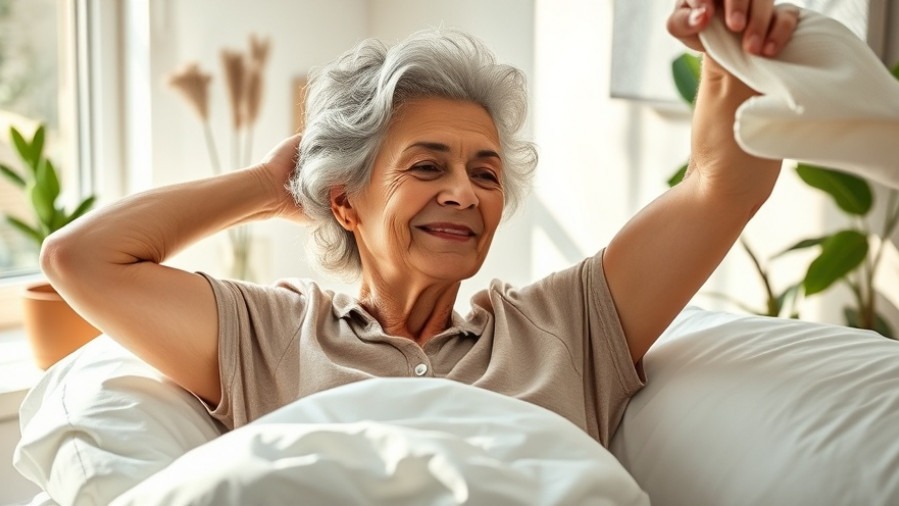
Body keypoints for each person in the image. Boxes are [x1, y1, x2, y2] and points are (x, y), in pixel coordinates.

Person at [41, 0, 799, 447]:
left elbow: (719, 189)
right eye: (428, 167)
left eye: (486, 174)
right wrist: (271, 184)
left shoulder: (566, 325)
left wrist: (728, 48)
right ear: (346, 203)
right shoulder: (271, 335)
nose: (465, 193)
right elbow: (80, 259)